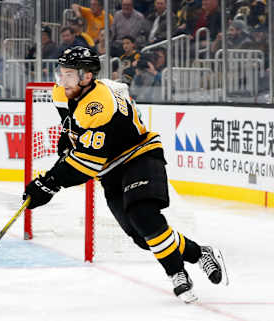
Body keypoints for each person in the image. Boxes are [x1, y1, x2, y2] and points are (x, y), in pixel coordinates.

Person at [22, 46, 228, 303]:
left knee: (144, 216)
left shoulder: (99, 105)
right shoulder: (61, 92)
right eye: (60, 73)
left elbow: (88, 163)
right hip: (111, 170)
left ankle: (178, 274)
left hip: (139, 155)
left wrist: (50, 182)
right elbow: (73, 125)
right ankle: (200, 253)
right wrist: (69, 137)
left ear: (87, 77)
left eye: (69, 74)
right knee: (143, 237)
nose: (62, 80)